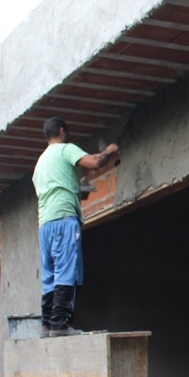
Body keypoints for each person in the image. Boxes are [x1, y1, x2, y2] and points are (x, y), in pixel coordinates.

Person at [33, 117, 119, 335]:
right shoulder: (65, 150)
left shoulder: (40, 163)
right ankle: (60, 325)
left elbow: (53, 189)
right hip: (64, 220)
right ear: (62, 131)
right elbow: (96, 162)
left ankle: (46, 324)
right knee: (66, 271)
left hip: (45, 223)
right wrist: (110, 150)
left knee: (50, 274)